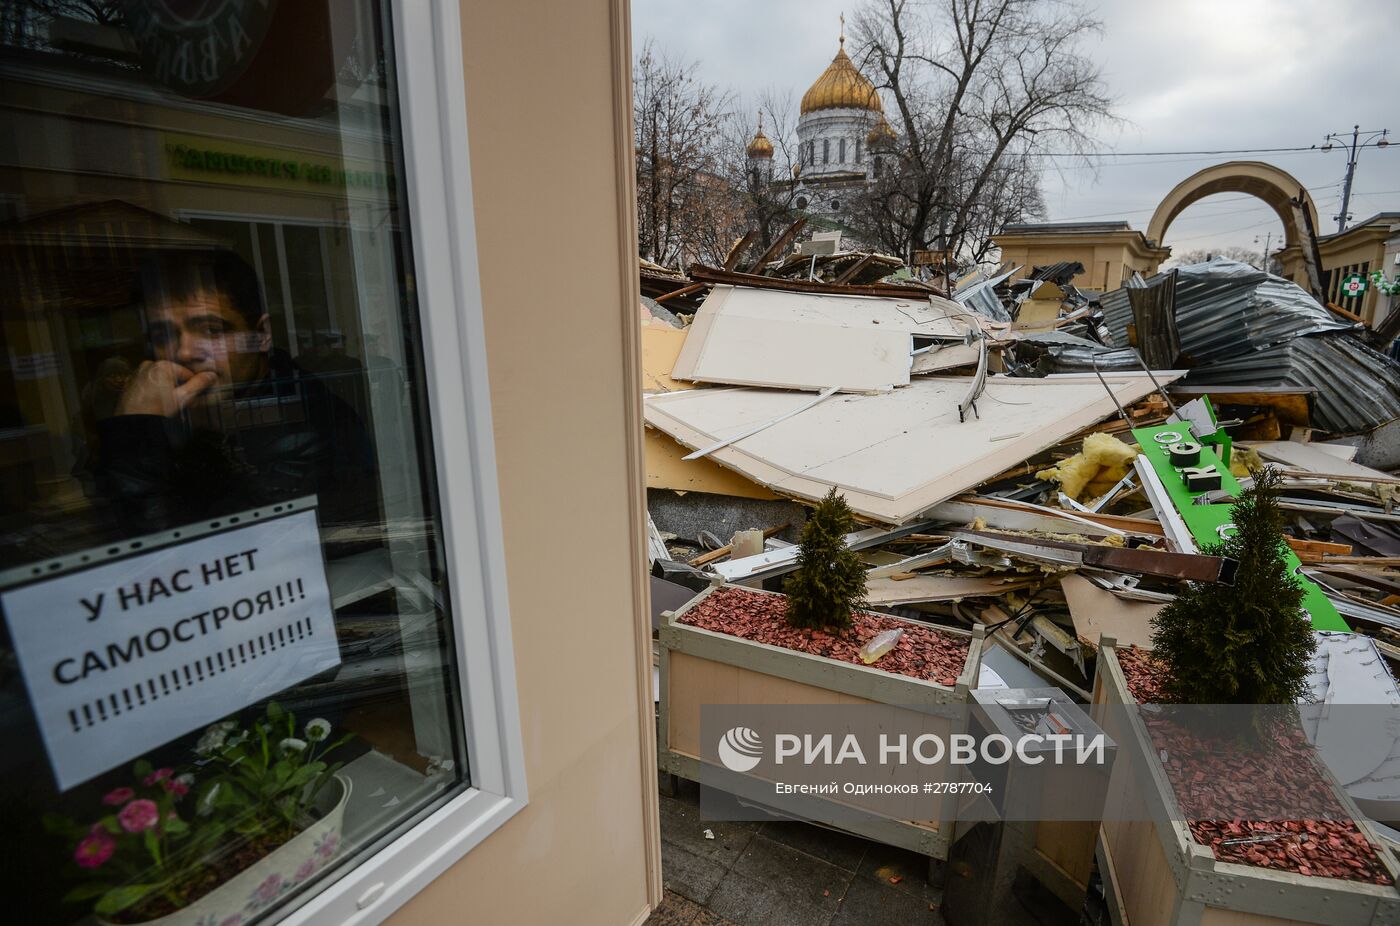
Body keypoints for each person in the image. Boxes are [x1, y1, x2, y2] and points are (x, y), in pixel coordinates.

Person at [98, 250, 377, 532]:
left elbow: (226, 550)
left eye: (211, 330)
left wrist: (134, 438)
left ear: (261, 335)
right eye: (162, 336)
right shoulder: (195, 405)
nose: (183, 352)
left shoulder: (303, 423)